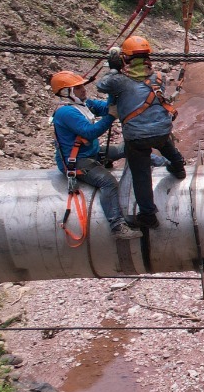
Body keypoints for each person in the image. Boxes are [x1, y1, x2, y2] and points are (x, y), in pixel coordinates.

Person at [98, 35, 185, 230]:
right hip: (162, 130)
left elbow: (101, 85)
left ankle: (148, 215)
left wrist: (114, 67)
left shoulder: (119, 81)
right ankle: (178, 166)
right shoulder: (159, 77)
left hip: (137, 138)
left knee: (141, 175)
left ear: (125, 59)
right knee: (163, 141)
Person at [51, 71, 140, 240]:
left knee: (127, 149)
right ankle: (117, 226)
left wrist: (114, 92)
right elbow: (90, 132)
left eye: (82, 86)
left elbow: (107, 108)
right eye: (78, 87)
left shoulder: (85, 105)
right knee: (108, 182)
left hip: (90, 152)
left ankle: (161, 162)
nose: (83, 90)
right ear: (66, 92)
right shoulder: (66, 113)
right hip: (77, 161)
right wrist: (111, 117)